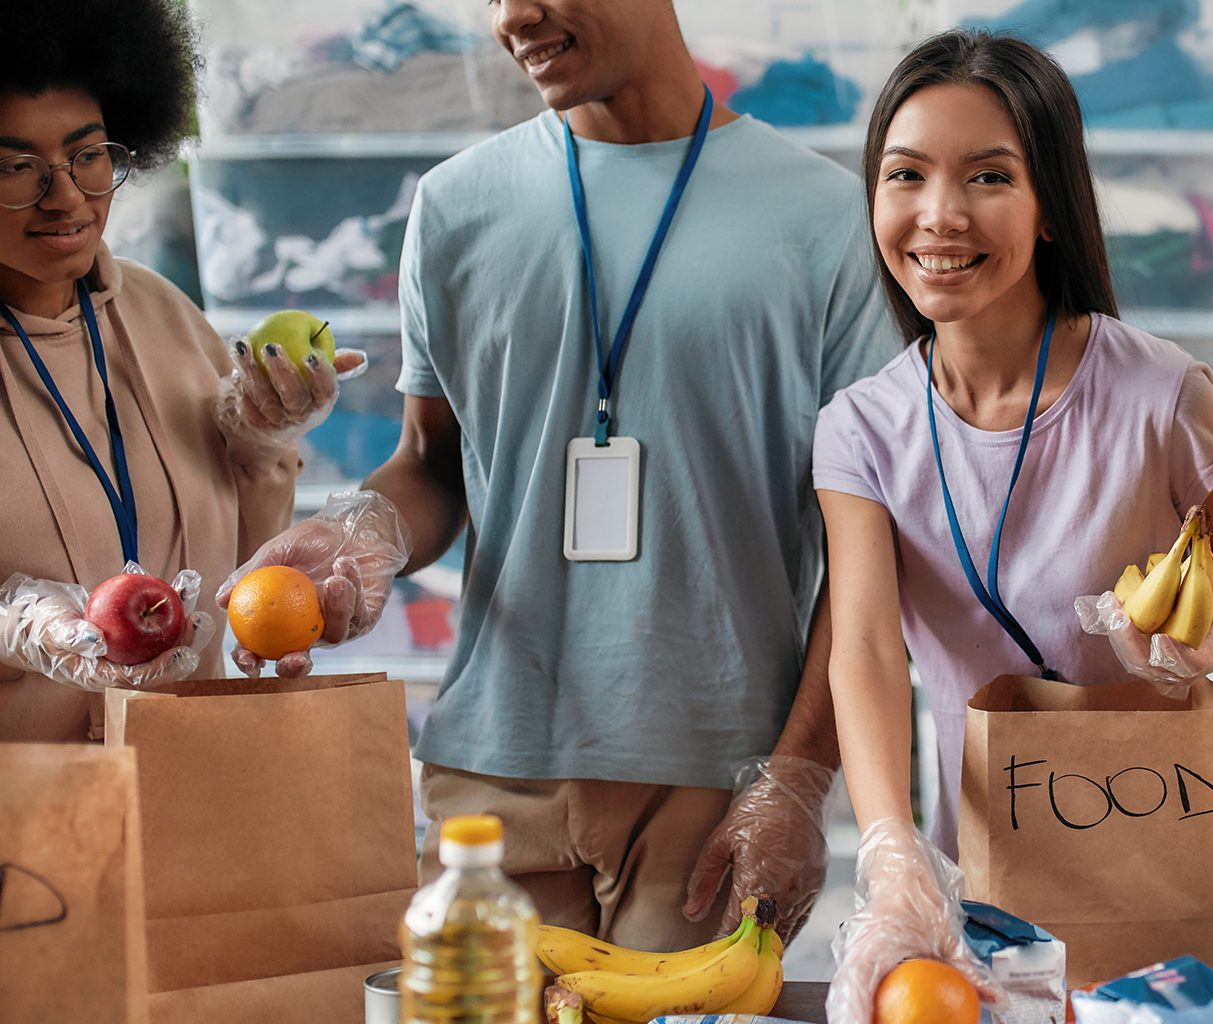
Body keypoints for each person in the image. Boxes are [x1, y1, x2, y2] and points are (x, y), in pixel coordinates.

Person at [226, 0, 898, 949]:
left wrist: (801, 776)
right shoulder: (457, 205)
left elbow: (870, 544)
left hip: (714, 778)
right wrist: (361, 534)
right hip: (490, 761)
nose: (513, 17)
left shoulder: (824, 215)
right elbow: (434, 463)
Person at [813, 30, 1213, 1024]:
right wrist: (889, 849)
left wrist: (1204, 615)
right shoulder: (859, 430)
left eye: (989, 176)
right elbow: (861, 648)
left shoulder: (1163, 394)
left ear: (1050, 205)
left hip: (1182, 854)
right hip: (991, 887)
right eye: (907, 176)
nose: (940, 214)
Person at [0, 0, 356, 742]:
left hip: (190, 784)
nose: (65, 196)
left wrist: (262, 446)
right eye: (14, 167)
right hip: (22, 815)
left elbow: (248, 562)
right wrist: (22, 628)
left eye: (88, 155)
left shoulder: (163, 312)